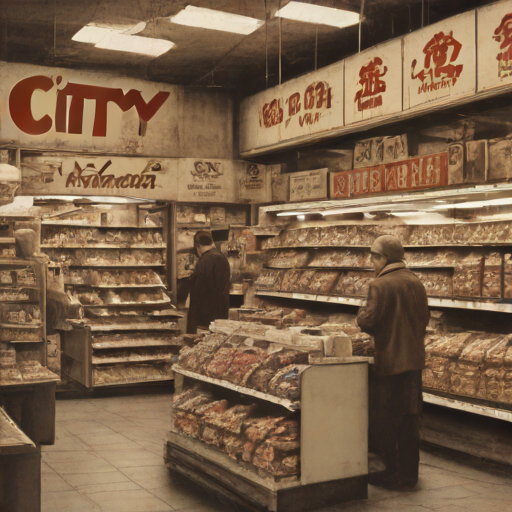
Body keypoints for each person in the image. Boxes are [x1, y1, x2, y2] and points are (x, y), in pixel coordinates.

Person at [356, 235, 430, 489]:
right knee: (410, 420)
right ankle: (409, 475)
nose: (372, 261)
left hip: (390, 361)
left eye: (374, 256)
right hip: (414, 361)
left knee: (388, 420)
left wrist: (361, 313)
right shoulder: (415, 281)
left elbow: (368, 321)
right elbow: (425, 318)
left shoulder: (380, 284)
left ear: (383, 258)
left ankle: (391, 476)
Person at [186, 231, 231, 334]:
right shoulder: (223, 258)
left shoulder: (203, 261)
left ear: (198, 245)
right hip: (221, 316)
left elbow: (197, 292)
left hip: (204, 320)